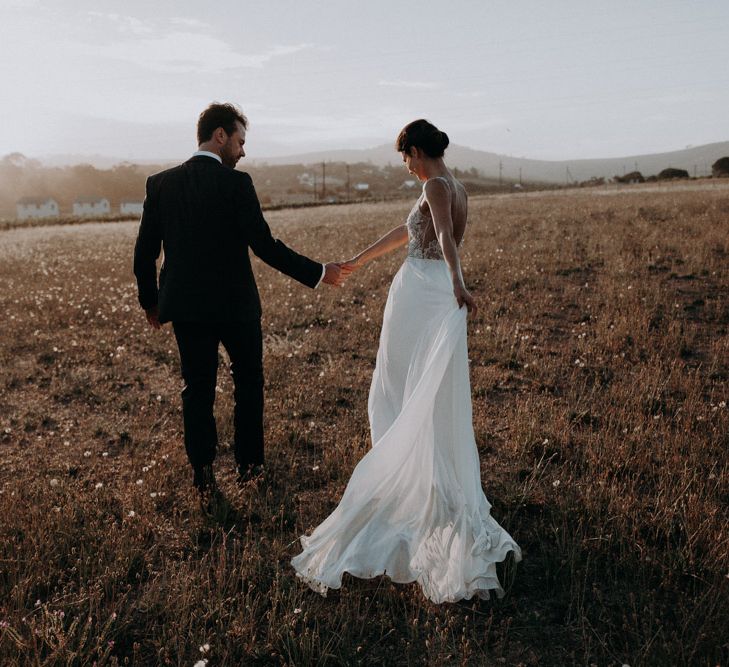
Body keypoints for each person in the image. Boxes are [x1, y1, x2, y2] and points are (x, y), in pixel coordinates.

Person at [291, 119, 521, 602]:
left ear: (417, 151)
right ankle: (416, 476)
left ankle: (401, 479)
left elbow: (442, 235)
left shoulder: (437, 184)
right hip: (431, 290)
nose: (408, 168)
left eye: (406, 158)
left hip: (424, 291)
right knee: (419, 389)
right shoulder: (457, 185)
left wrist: (459, 283)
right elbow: (407, 230)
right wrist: (360, 259)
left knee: (399, 387)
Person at [133, 102, 346, 504]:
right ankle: (250, 468)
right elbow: (265, 246)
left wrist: (152, 302)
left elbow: (145, 253)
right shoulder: (237, 184)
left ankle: (203, 475)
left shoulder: (159, 184)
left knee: (197, 390)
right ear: (220, 136)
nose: (243, 151)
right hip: (236, 308)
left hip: (187, 310)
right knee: (248, 385)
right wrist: (318, 272)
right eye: (240, 141)